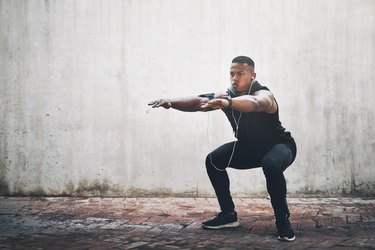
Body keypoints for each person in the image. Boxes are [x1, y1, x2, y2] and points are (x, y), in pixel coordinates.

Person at [148, 56, 297, 242]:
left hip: (280, 146)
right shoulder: (226, 95)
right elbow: (198, 102)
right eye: (232, 74)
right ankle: (228, 215)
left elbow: (257, 103)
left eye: (240, 74)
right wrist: (171, 102)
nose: (235, 78)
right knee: (213, 160)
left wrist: (230, 103)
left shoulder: (264, 94)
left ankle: (282, 221)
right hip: (250, 149)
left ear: (252, 75)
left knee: (271, 164)